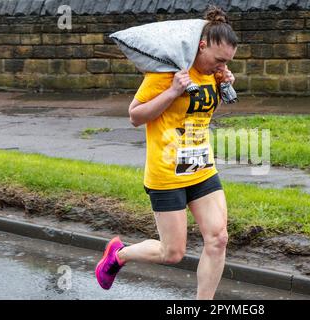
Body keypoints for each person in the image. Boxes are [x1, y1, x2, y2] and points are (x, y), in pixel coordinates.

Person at [95, 5, 237, 300]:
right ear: (201, 47)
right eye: (219, 60)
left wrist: (222, 87)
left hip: (200, 167)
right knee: (172, 253)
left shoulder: (213, 74)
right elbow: (135, 116)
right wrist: (173, 91)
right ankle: (118, 255)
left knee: (218, 238)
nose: (222, 66)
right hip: (167, 172)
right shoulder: (167, 72)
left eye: (227, 63)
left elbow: (198, 113)